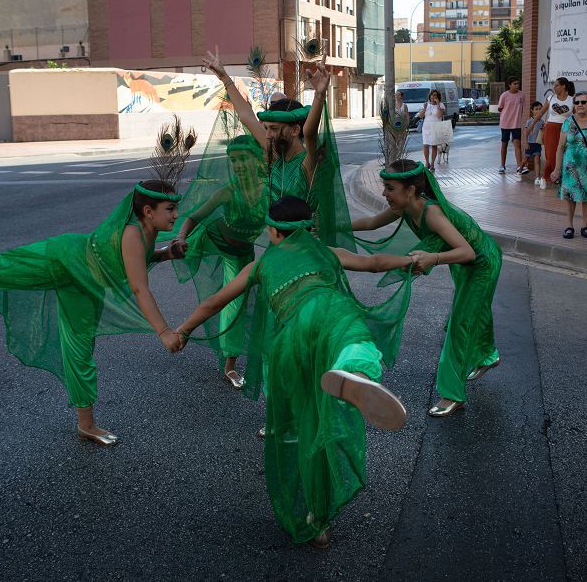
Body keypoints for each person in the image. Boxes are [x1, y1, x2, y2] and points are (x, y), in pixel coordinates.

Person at [176, 196, 413, 549]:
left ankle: (316, 521)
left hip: (290, 338)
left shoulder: (262, 263)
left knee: (303, 425)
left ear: (273, 232)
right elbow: (375, 262)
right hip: (330, 309)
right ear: (306, 228)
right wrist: (414, 261)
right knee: (354, 340)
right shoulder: (325, 251)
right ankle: (355, 370)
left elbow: (216, 302)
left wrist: (182, 331)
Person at [0, 180, 189, 446]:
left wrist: (165, 253)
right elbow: (139, 288)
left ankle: (86, 424)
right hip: (62, 258)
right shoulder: (132, 234)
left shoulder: (147, 235)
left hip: (84, 285)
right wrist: (163, 332)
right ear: (148, 211)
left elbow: (135, 261)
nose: (176, 215)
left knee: (80, 350)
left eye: (175, 209)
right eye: (169, 209)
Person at [351, 159, 503, 417]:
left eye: (389, 188)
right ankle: (488, 355)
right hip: (463, 262)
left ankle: (452, 394)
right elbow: (372, 222)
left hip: (482, 263)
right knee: (476, 310)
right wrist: (330, 226)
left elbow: (466, 252)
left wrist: (433, 258)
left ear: (410, 190)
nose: (383, 193)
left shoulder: (430, 212)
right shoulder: (405, 207)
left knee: (461, 324)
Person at [202, 48, 352, 249]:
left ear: (294, 130)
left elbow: (310, 134)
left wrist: (319, 95)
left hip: (303, 248)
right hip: (277, 244)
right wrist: (224, 77)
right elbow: (246, 116)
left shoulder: (308, 163)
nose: (267, 134)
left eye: (274, 129)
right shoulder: (275, 155)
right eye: (267, 128)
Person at [171, 133, 267, 389]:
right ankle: (231, 366)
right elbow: (193, 218)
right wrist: (181, 235)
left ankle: (250, 357)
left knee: (247, 301)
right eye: (233, 160)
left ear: (257, 160)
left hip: (242, 252)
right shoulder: (228, 192)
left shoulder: (270, 191)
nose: (237, 165)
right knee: (232, 303)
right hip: (212, 239)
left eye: (243, 159)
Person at [551, 90, 587, 239]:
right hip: (570, 167)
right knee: (570, 197)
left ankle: (585, 226)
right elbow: (560, 147)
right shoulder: (568, 122)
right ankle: (569, 226)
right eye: (576, 102)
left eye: (583, 102)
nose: (579, 105)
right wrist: (557, 169)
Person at [539, 78, 575, 188]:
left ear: (564, 86)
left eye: (556, 85)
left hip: (565, 129)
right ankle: (545, 177)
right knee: (550, 155)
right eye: (554, 85)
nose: (554, 88)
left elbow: (576, 116)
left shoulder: (572, 100)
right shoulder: (551, 98)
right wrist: (531, 127)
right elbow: (541, 112)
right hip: (550, 128)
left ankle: (560, 177)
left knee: (564, 154)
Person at [415, 89, 450, 172]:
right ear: (429, 96)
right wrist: (424, 109)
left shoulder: (441, 105)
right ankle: (427, 163)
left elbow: (439, 116)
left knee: (434, 146)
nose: (433, 97)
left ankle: (432, 164)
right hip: (426, 127)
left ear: (438, 97)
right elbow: (420, 116)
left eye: (435, 95)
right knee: (425, 145)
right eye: (432, 95)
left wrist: (438, 104)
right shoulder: (426, 105)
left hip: (436, 127)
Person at [497, 78, 526, 174]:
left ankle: (519, 166)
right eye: (515, 83)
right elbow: (500, 108)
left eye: (518, 83)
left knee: (517, 144)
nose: (517, 85)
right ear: (510, 85)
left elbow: (523, 107)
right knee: (504, 144)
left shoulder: (522, 95)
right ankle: (502, 165)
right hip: (505, 124)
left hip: (516, 124)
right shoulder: (504, 95)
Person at [523, 101, 545, 187]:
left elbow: (542, 132)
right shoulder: (529, 121)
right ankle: (520, 170)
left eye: (540, 109)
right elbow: (526, 133)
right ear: (532, 110)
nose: (538, 111)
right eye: (536, 109)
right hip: (529, 144)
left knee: (537, 160)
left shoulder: (542, 121)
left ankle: (537, 178)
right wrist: (525, 142)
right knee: (525, 160)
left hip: (537, 144)